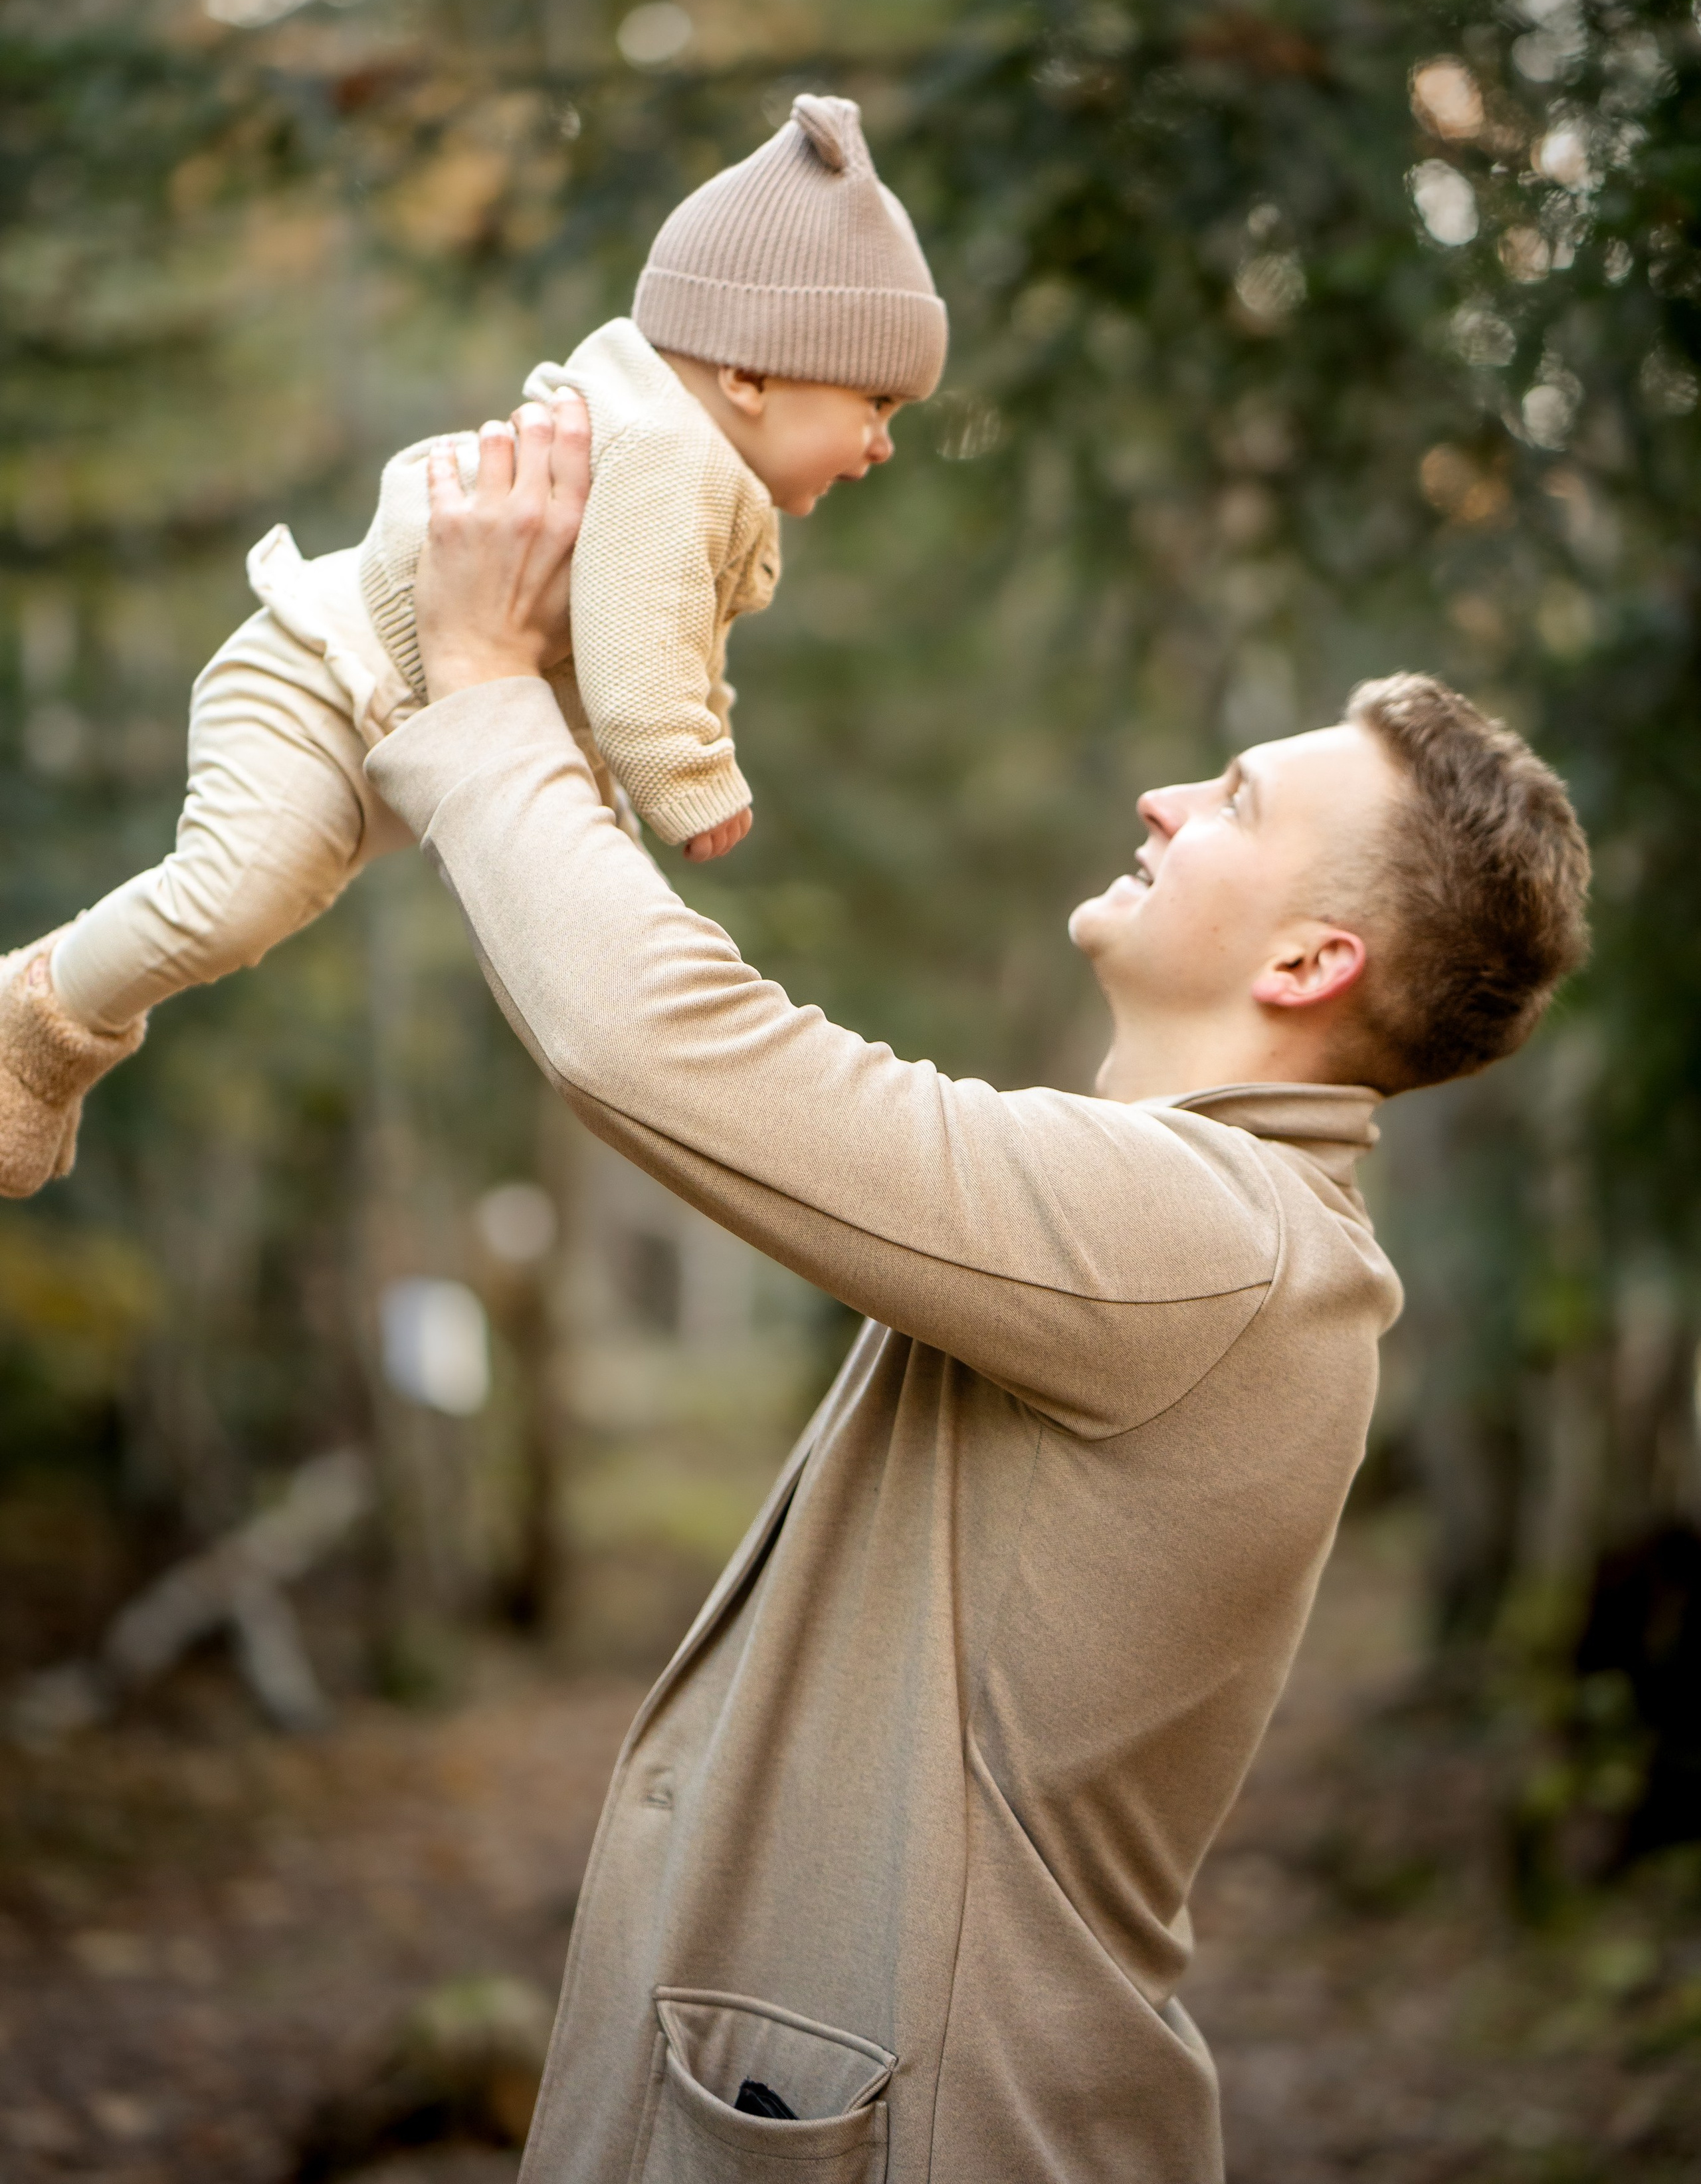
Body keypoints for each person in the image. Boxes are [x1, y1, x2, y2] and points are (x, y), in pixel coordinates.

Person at [355, 400, 1589, 2181]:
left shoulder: (1214, 1238)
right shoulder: (1211, 1220)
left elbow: (670, 1049)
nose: (1165, 797)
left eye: (1234, 799)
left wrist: (481, 687)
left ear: (1316, 959)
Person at [0, 94, 942, 1199]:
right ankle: (35, 1019)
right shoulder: (663, 458)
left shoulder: (703, 477)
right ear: (750, 374)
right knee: (236, 895)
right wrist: (692, 783)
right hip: (317, 681)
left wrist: (656, 780)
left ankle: (45, 1036)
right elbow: (643, 671)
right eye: (876, 403)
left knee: (293, 908)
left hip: (381, 729)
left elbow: (683, 654)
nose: (882, 445)